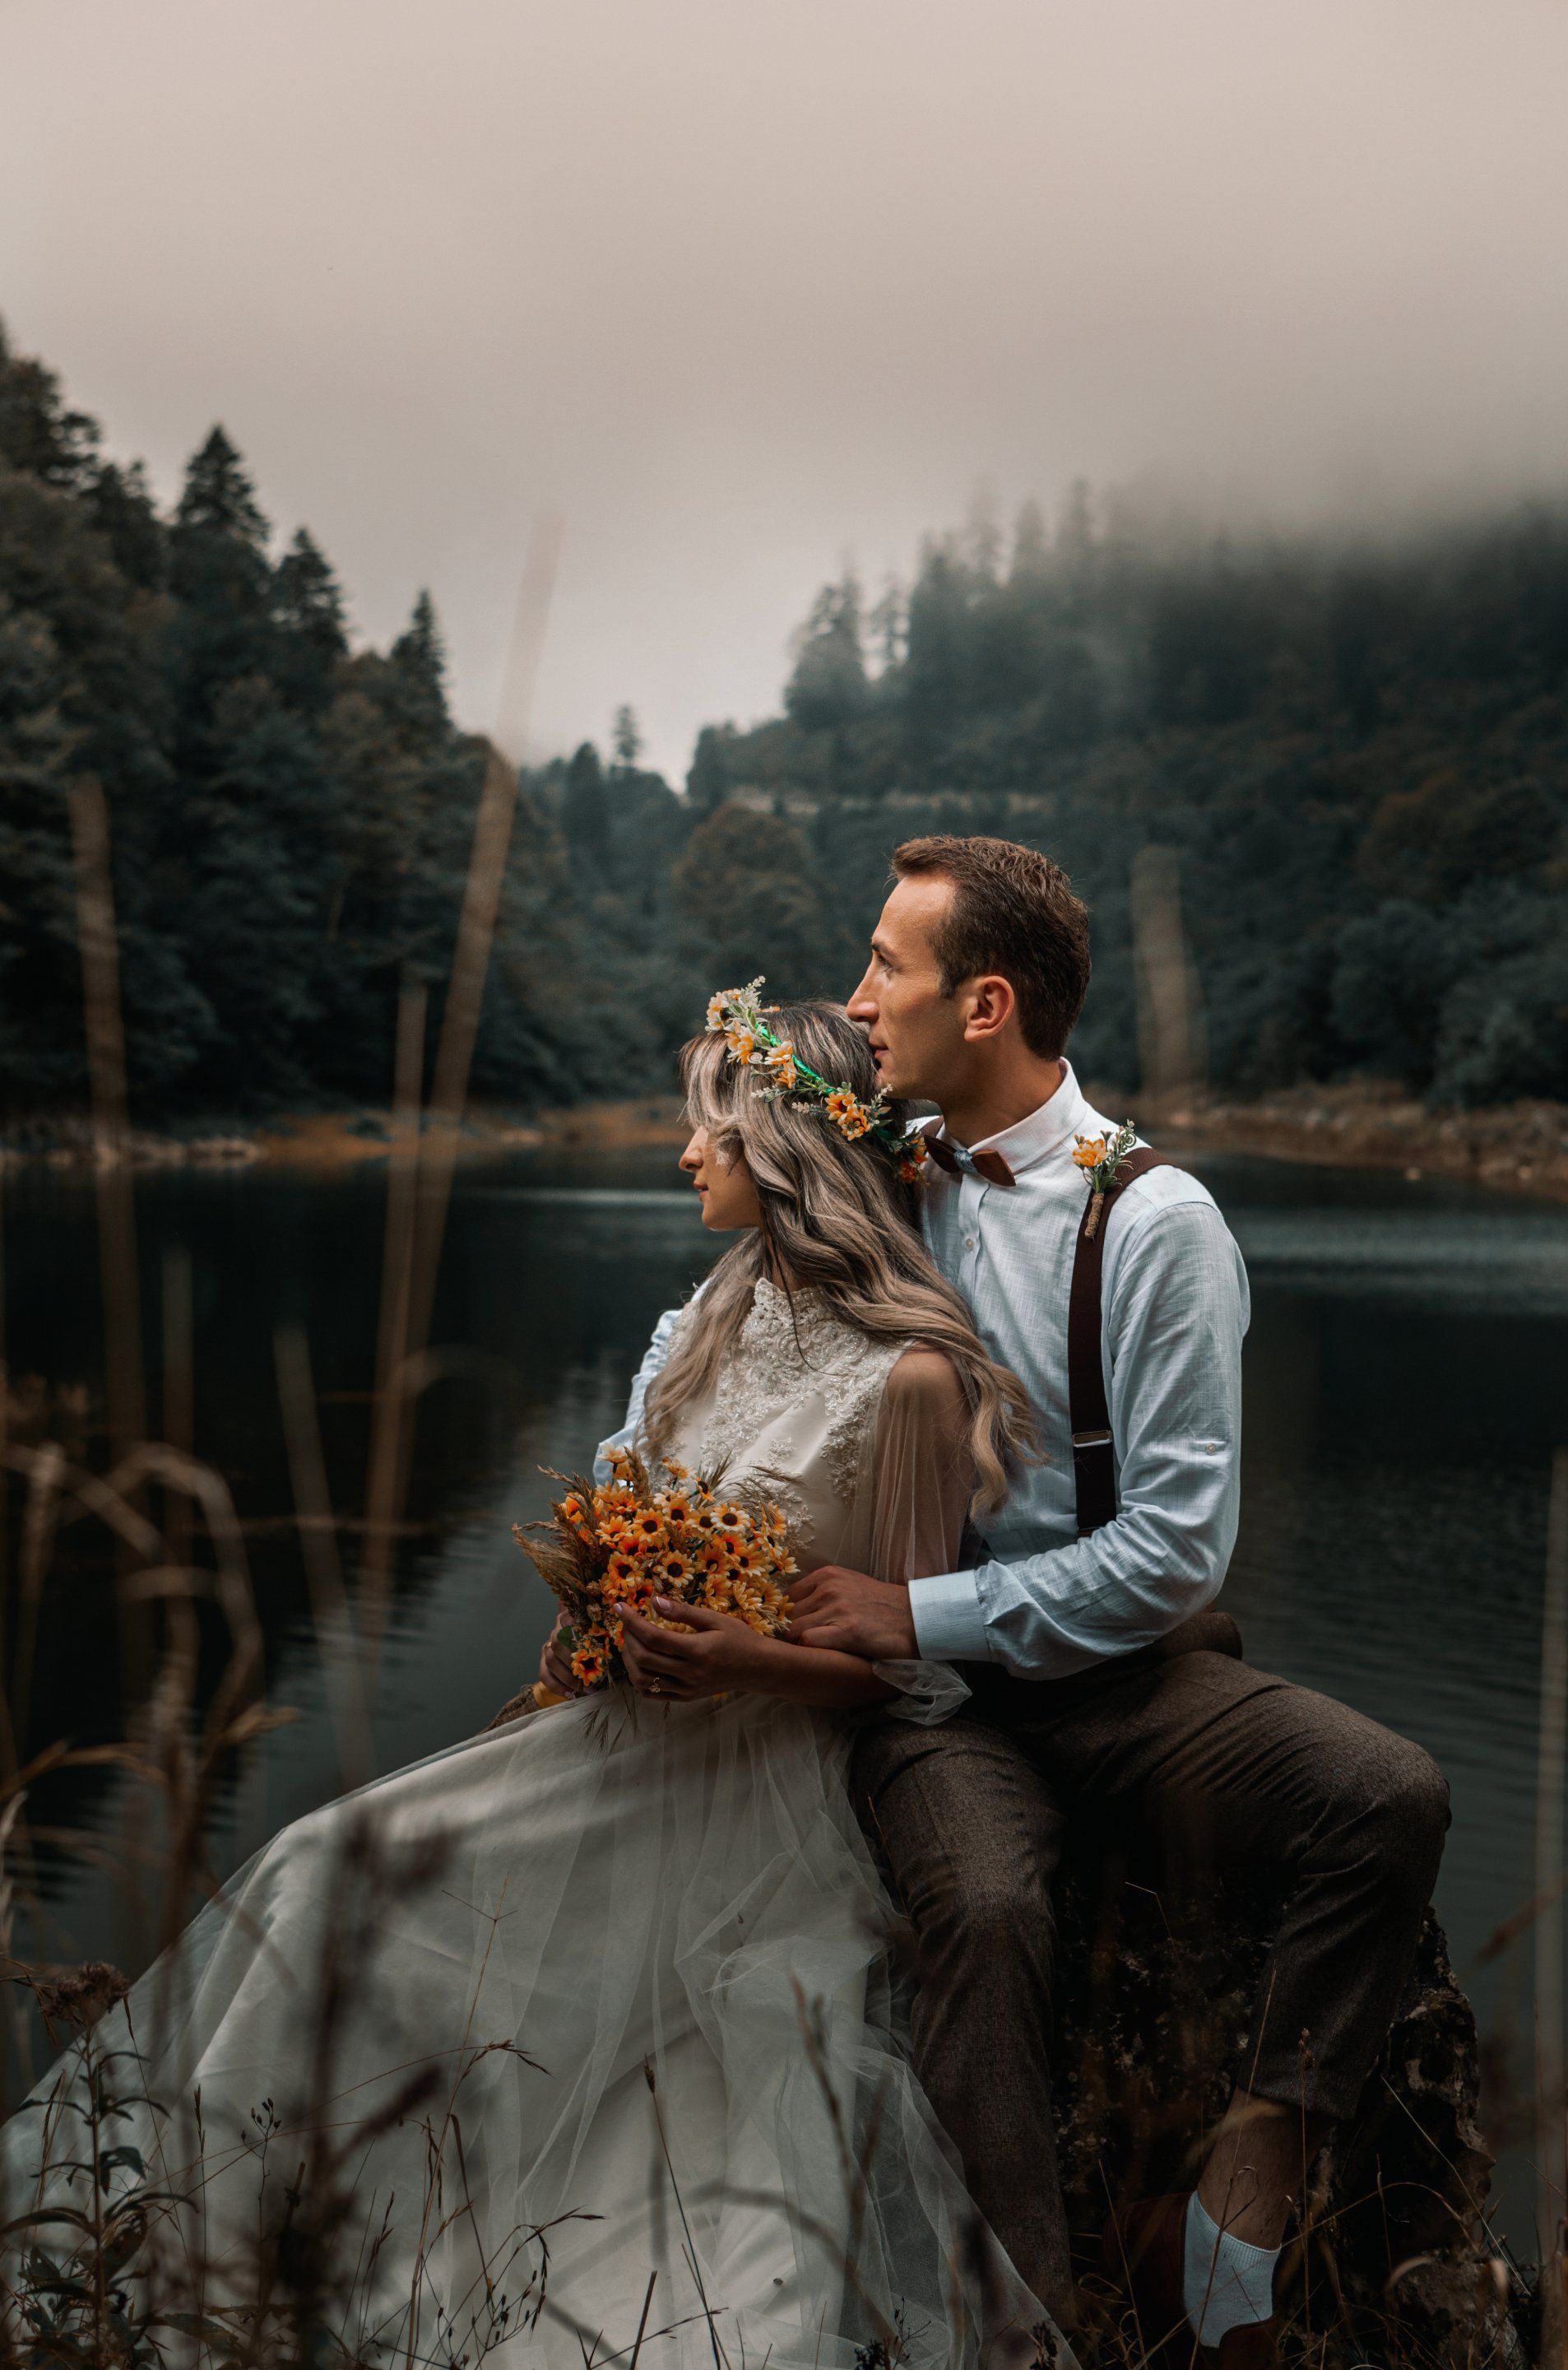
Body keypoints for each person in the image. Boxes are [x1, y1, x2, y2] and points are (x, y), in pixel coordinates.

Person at [1, 1000, 1069, 2370]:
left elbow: (909, 1678)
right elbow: (622, 1522)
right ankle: (180, 2266)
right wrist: (596, 1619)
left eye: (713, 1126)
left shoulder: (911, 1381)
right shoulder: (706, 1324)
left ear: (791, 1145)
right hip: (609, 1735)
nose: (688, 1153)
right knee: (317, 1864)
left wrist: (753, 1658)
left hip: (757, 1790)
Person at [783, 834, 1453, 2365]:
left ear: (987, 1003)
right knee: (993, 1908)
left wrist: (912, 1614)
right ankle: (1018, 2329)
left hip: (1127, 1684)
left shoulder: (1156, 1226)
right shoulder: (882, 1180)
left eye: (887, 963)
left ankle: (1251, 2169)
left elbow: (1173, 1554)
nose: (856, 996)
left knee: (1390, 1794)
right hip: (942, 1718)